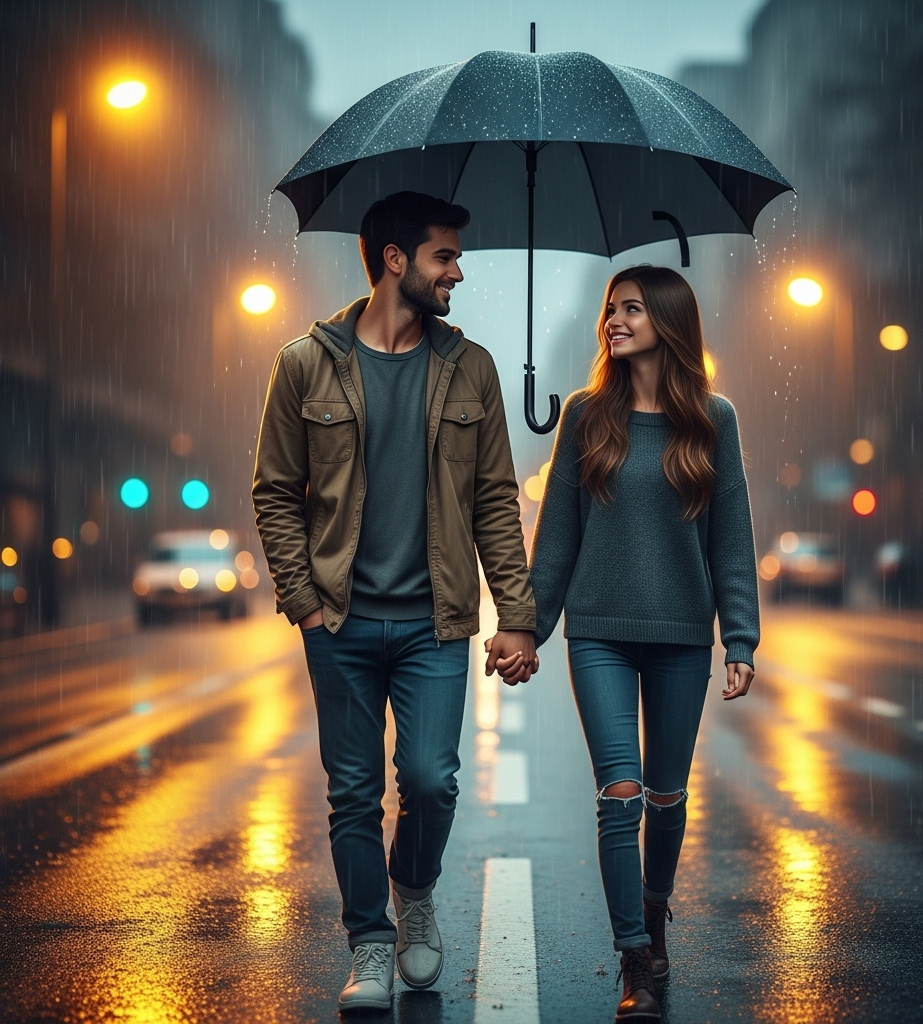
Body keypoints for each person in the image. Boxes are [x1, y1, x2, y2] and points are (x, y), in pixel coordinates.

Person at [252, 191, 538, 1011]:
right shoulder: (304, 363)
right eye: (445, 255)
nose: (458, 271)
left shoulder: (470, 367)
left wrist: (513, 613)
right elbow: (274, 492)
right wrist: (303, 600)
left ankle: (413, 892)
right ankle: (370, 943)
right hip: (337, 621)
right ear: (394, 260)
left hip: (435, 622)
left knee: (431, 779)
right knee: (350, 791)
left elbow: (493, 497)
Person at [528, 265, 758, 1022]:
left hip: (682, 638)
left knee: (666, 797)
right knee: (620, 794)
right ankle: (635, 960)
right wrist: (528, 628)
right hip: (598, 632)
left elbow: (731, 540)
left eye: (630, 309)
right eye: (609, 309)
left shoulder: (713, 419)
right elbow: (556, 539)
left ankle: (654, 916)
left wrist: (740, 639)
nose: (613, 321)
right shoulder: (587, 416)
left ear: (667, 320)